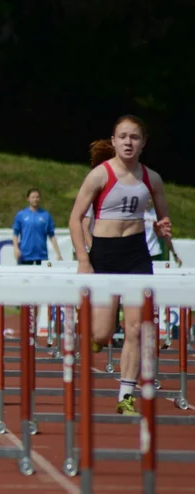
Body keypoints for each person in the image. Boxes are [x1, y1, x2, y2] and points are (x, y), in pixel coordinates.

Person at [68, 115, 171, 416]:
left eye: (134, 137)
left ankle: (126, 396)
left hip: (137, 255)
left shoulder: (151, 179)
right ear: (113, 141)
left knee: (136, 328)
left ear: (143, 143)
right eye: (123, 136)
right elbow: (75, 219)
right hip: (104, 255)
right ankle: (96, 335)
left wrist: (162, 230)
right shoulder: (100, 175)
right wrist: (84, 260)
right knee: (101, 334)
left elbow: (162, 223)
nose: (128, 142)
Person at [11, 188, 63, 265]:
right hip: (26, 255)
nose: (35, 199)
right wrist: (15, 248)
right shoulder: (21, 215)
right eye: (33, 197)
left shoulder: (45, 215)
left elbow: (51, 235)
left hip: (42, 256)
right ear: (28, 199)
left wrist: (58, 253)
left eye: (37, 197)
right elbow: (15, 233)